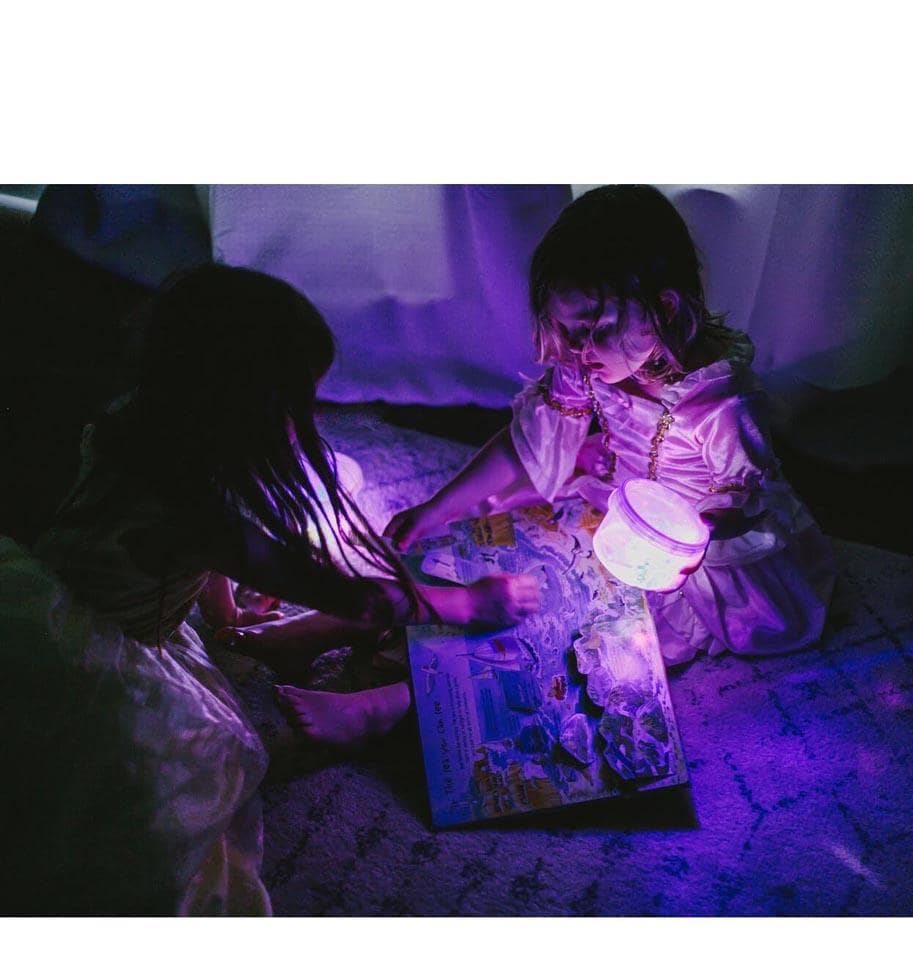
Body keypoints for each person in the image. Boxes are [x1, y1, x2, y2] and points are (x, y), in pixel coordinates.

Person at [1, 263, 538, 916]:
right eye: (298, 404)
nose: (304, 419)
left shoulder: (141, 425)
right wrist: (468, 603)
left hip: (51, 594)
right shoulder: (201, 513)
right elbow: (360, 597)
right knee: (190, 774)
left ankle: (282, 641)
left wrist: (222, 605)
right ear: (244, 409)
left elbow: (185, 554)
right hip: (96, 659)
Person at [384, 185, 836, 666]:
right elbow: (525, 445)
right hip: (625, 508)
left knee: (601, 643)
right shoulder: (589, 363)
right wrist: (435, 509)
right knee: (534, 582)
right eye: (569, 332)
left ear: (663, 309)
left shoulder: (719, 403)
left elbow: (746, 495)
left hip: (696, 549)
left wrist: (699, 528)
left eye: (596, 330)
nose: (580, 351)